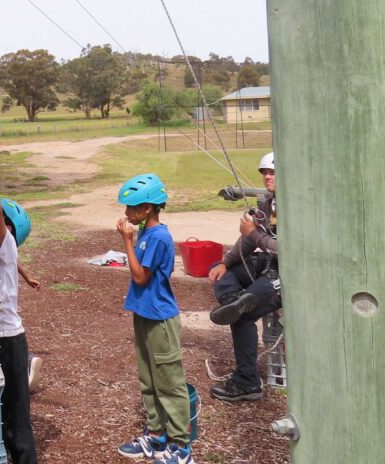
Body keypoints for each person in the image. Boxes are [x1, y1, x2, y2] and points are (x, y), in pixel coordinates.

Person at [115, 174, 193, 464]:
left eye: (131, 207)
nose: (126, 213)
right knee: (148, 378)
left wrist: (127, 241)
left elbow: (140, 276)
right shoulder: (147, 234)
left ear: (147, 208)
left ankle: (181, 447)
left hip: (161, 320)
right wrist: (133, 240)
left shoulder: (159, 237)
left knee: (169, 382)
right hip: (144, 314)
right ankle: (156, 436)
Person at [206, 151, 280, 402]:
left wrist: (253, 234)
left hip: (288, 274)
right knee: (221, 271)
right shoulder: (269, 204)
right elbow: (249, 243)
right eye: (265, 172)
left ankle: (247, 381)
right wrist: (225, 262)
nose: (267, 177)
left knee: (243, 317)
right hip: (268, 264)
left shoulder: (299, 208)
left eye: (273, 172)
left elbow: (288, 250)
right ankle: (234, 301)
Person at [0, 197, 40, 464]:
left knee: (16, 411)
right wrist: (27, 276)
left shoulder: (5, 242)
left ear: (8, 227)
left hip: (9, 338)